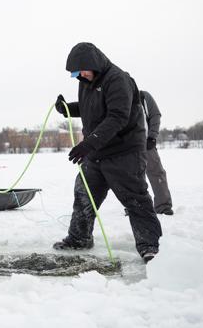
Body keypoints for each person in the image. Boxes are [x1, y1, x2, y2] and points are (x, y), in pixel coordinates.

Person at [53, 42, 162, 263]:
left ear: (93, 63)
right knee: (84, 195)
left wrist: (88, 143)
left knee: (135, 199)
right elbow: (89, 107)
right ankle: (79, 238)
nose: (79, 76)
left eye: (81, 70)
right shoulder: (87, 81)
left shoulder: (117, 79)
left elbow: (117, 117)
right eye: (76, 73)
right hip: (97, 153)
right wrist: (67, 109)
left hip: (124, 152)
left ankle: (150, 245)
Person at [140, 90, 174, 215]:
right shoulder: (116, 96)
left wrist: (152, 136)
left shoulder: (143, 96)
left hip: (145, 142)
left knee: (156, 172)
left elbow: (155, 115)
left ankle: (163, 206)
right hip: (126, 145)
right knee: (131, 177)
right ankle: (135, 206)